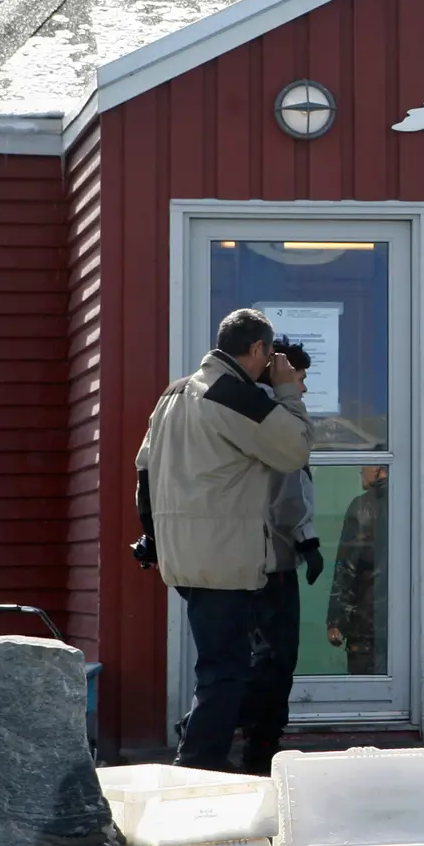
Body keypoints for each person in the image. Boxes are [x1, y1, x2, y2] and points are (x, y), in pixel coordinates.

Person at [135, 308, 312, 771]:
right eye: (268, 353)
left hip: (185, 555)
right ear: (257, 349)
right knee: (226, 672)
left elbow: (144, 471)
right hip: (225, 556)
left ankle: (204, 757)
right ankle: (197, 766)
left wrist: (153, 537)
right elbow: (294, 448)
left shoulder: (172, 395)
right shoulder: (231, 393)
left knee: (225, 667)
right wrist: (288, 392)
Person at [243, 342, 323, 774]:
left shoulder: (247, 410)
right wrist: (307, 540)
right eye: (300, 376)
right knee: (276, 658)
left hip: (246, 556)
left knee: (256, 656)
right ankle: (256, 741)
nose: (304, 386)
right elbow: (289, 493)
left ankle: (249, 735)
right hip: (273, 558)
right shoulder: (279, 418)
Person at [326, 465, 388, 675]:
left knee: (367, 691)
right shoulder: (415, 501)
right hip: (407, 621)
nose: (361, 470)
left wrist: (336, 621)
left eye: (366, 463)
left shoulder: (362, 507)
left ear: (379, 467)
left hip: (366, 621)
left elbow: (346, 569)